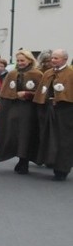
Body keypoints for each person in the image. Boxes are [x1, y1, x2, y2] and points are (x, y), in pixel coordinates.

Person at [0, 50, 42, 173]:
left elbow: (41, 93)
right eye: (18, 60)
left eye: (22, 60)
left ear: (29, 60)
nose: (20, 63)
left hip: (29, 110)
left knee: (26, 134)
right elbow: (4, 91)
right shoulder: (12, 74)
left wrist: (27, 94)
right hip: (13, 108)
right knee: (14, 134)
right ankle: (19, 157)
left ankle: (24, 160)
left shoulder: (37, 74)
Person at [33, 49, 73, 181]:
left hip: (66, 111)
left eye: (56, 58)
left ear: (64, 59)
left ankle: (62, 169)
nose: (53, 60)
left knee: (64, 140)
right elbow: (42, 91)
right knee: (49, 137)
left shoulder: (71, 73)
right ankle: (50, 161)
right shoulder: (48, 73)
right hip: (48, 110)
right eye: (53, 58)